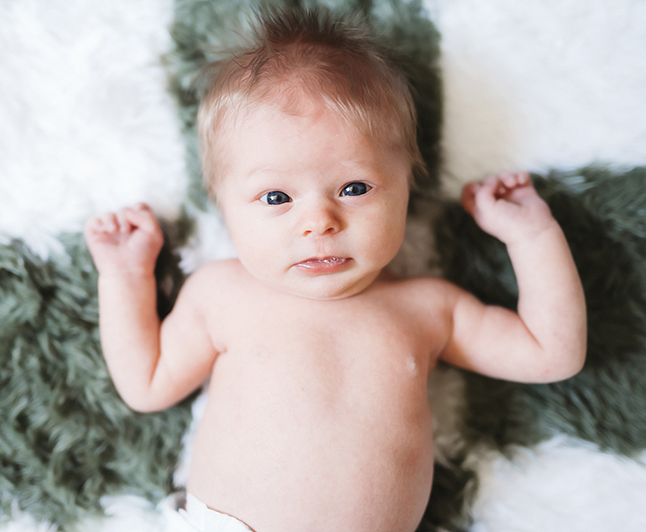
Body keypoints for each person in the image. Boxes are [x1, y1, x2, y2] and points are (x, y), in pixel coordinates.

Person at [84, 8, 586, 532]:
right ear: (223, 206)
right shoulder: (222, 293)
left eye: (354, 188)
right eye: (276, 197)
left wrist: (532, 237)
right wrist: (125, 277)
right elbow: (146, 384)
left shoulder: (428, 308)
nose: (319, 222)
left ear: (406, 188)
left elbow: (552, 354)